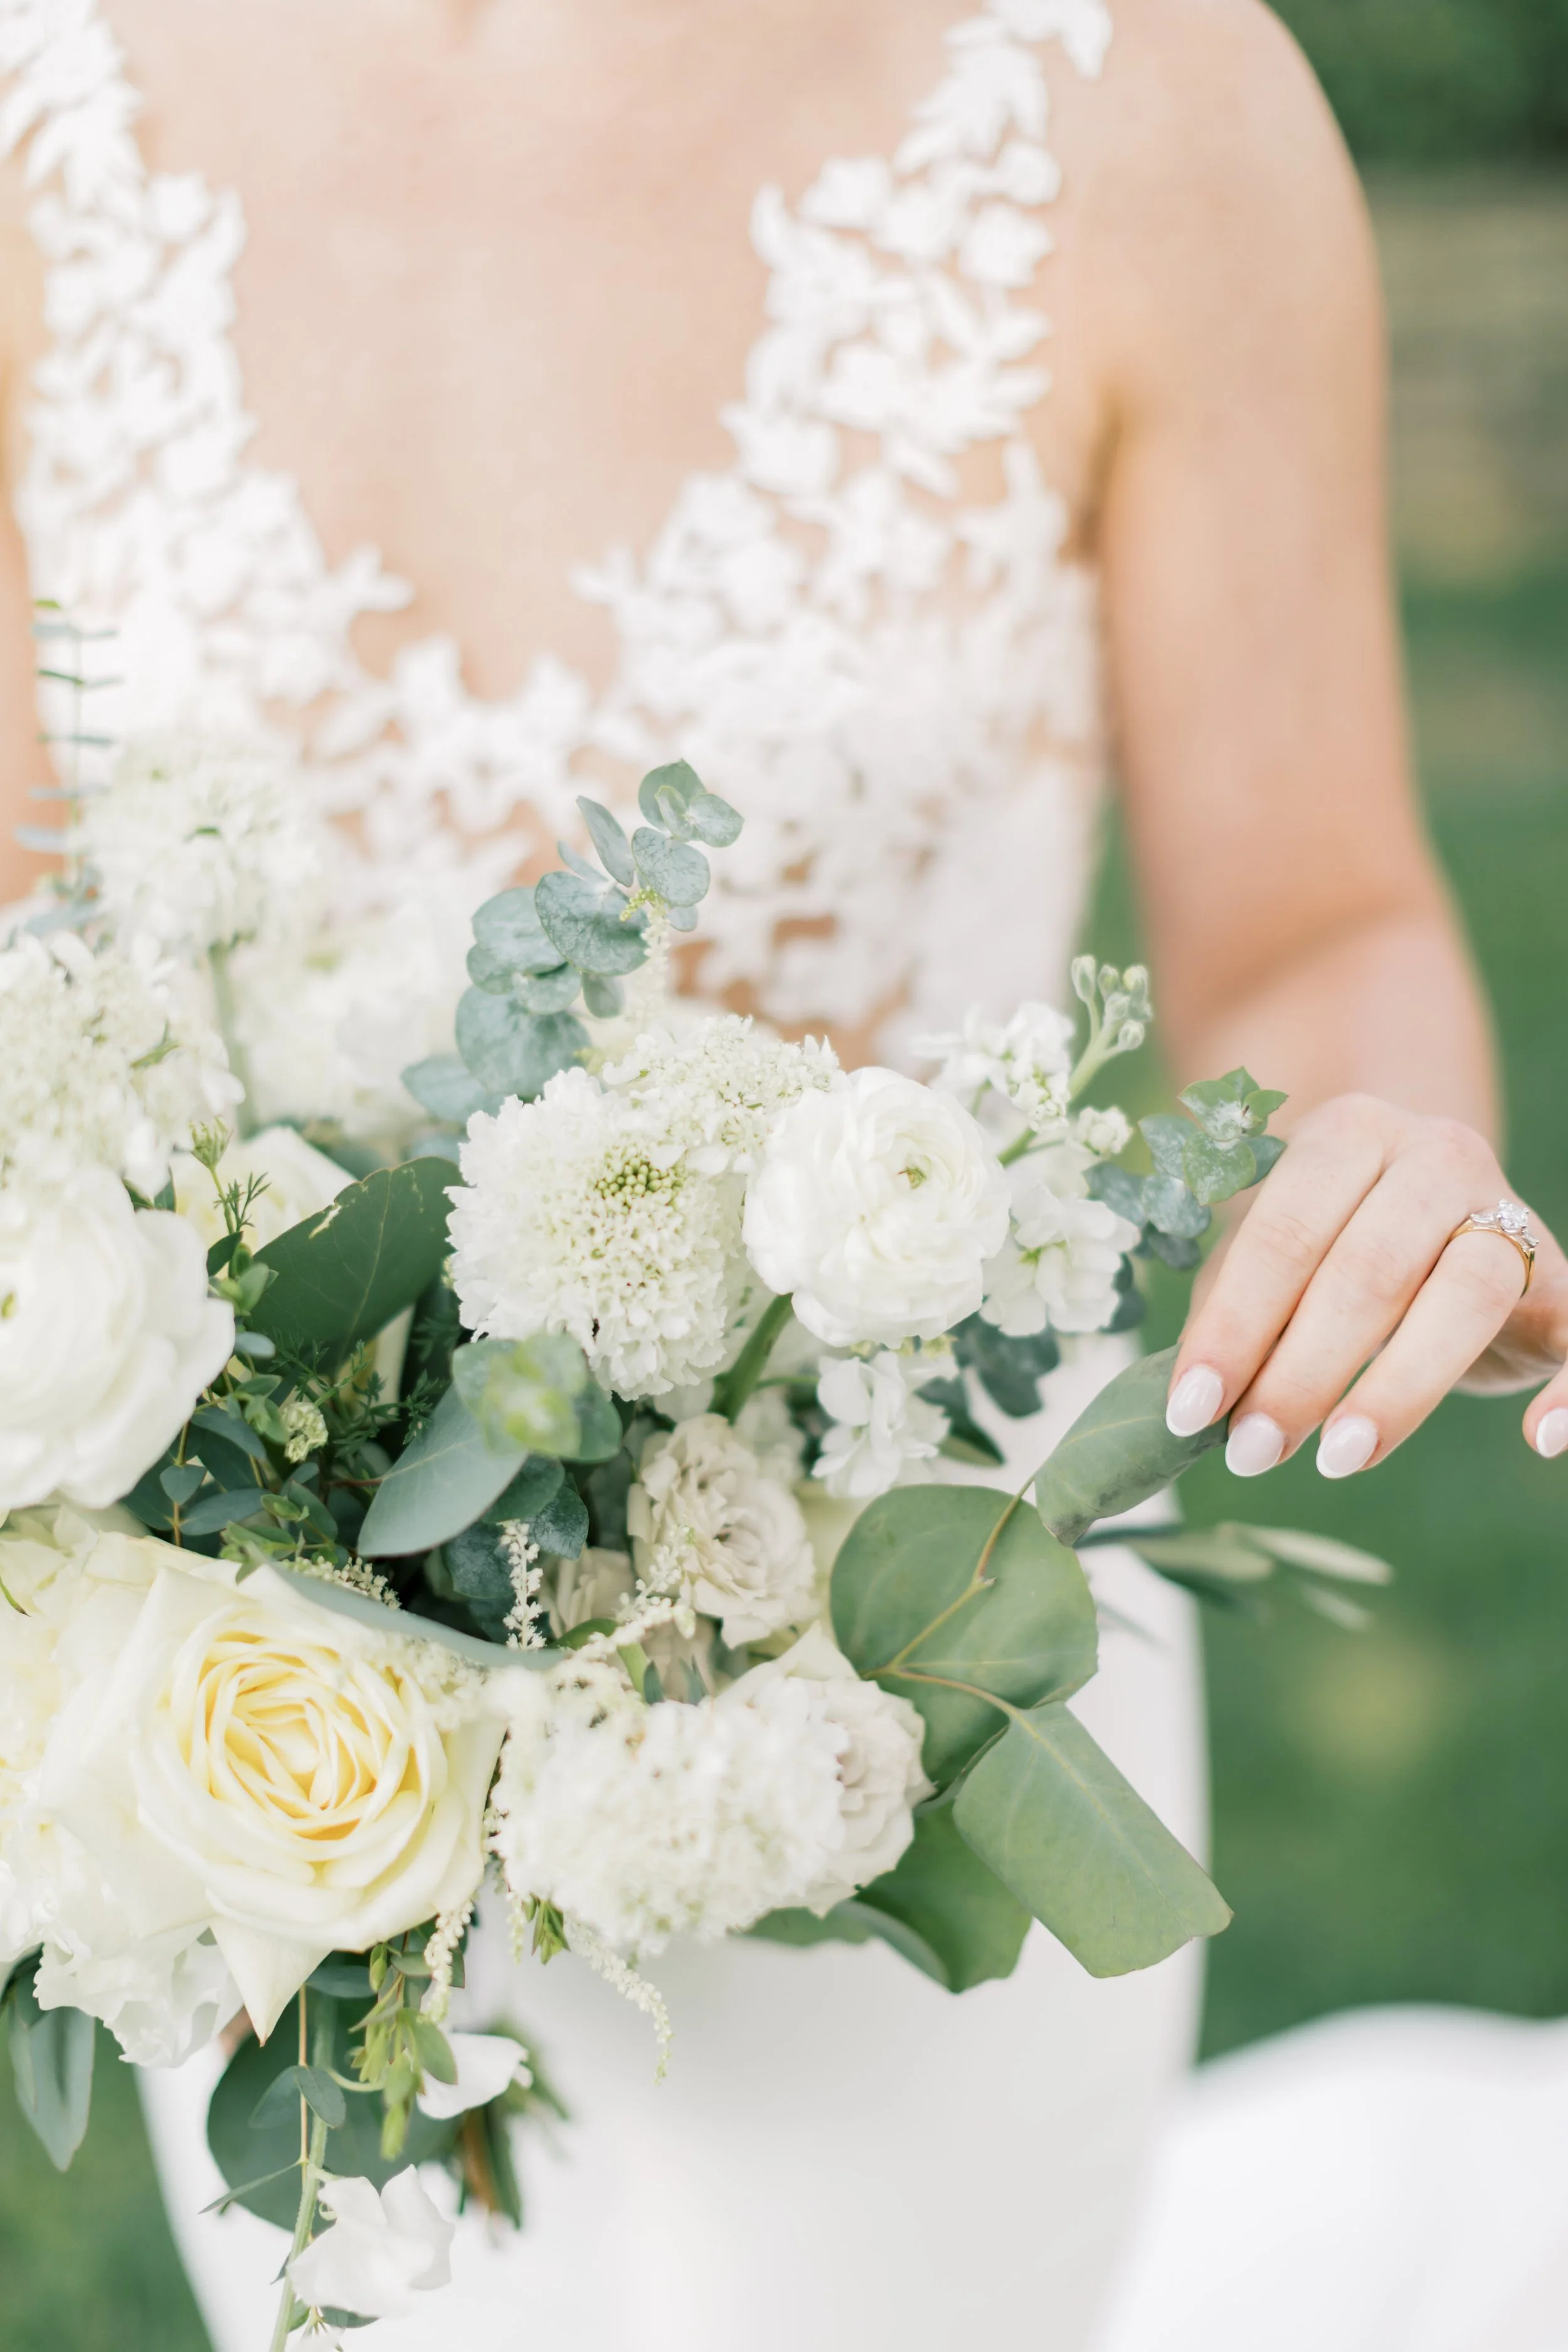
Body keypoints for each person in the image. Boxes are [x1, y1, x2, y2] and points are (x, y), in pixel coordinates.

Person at [3, 4, 1564, 2347]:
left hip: (924, 1681)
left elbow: (1319, 925)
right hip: (261, 1743)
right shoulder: (41, 110)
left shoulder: (1142, 99)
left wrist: (1375, 1158)